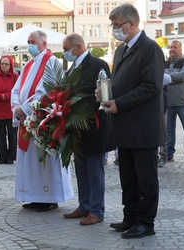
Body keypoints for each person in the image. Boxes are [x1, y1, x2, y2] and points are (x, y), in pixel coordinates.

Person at [102, 3, 164, 238]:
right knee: (127, 176)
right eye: (113, 25)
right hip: (124, 126)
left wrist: (120, 102)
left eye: (117, 25)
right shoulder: (121, 49)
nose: (114, 29)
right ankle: (131, 216)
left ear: (132, 23)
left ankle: (146, 222)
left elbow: (151, 87)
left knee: (146, 178)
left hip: (143, 126)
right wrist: (107, 94)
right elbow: (119, 82)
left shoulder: (150, 48)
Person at [11, 30, 74, 212]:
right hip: (26, 119)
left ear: (44, 44)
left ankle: (49, 197)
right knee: (30, 160)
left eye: (33, 41)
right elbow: (17, 89)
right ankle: (34, 195)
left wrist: (24, 110)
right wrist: (17, 108)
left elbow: (45, 92)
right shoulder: (28, 64)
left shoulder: (51, 62)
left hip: (42, 119)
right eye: (28, 41)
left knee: (43, 160)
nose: (30, 44)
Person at [61, 34, 110, 225]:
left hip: (93, 125)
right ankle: (84, 206)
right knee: (80, 168)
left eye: (67, 48)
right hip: (76, 127)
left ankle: (97, 211)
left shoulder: (98, 64)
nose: (65, 53)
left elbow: (105, 94)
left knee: (95, 170)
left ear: (78, 47)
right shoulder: (72, 66)